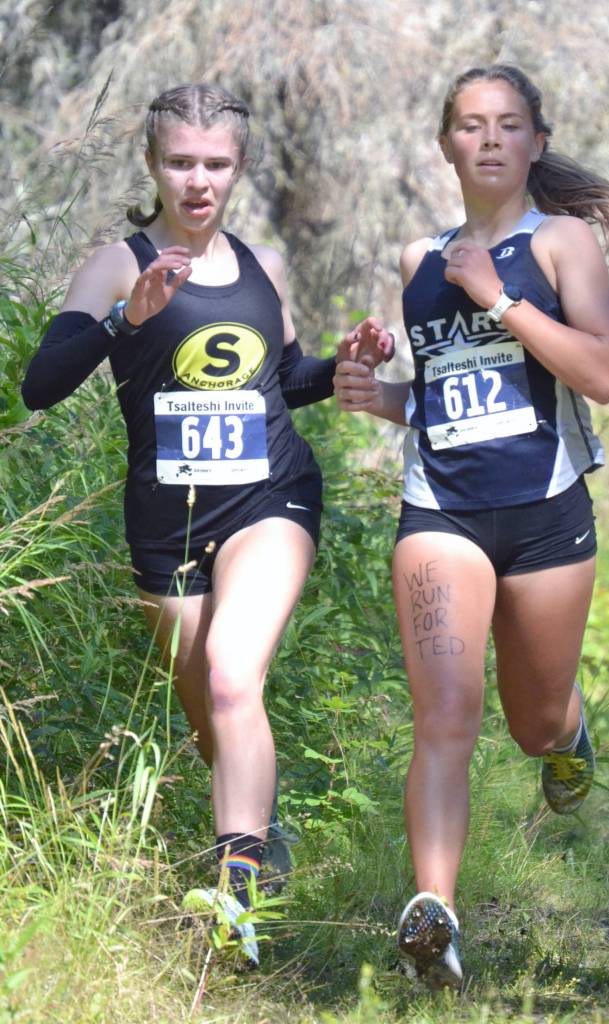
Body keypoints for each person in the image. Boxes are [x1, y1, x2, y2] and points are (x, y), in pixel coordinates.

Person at [21, 84, 392, 966]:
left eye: (216, 164)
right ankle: (263, 840)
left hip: (271, 500)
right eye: (181, 162)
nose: (198, 180)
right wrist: (125, 319)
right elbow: (40, 386)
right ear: (152, 165)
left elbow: (284, 377)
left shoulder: (260, 260)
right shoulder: (119, 262)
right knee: (215, 720)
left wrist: (347, 364)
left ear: (238, 169)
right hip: (166, 522)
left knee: (232, 681)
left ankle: (232, 908)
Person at [333, 64, 609, 989]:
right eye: (470, 125)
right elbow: (449, 399)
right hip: (440, 511)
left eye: (508, 124)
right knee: (446, 715)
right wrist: (378, 395)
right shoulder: (417, 260)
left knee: (532, 721)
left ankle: (570, 731)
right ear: (445, 145)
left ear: (535, 144)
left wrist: (498, 297)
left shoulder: (560, 243)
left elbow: (601, 377)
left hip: (548, 513)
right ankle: (432, 910)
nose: (487, 140)